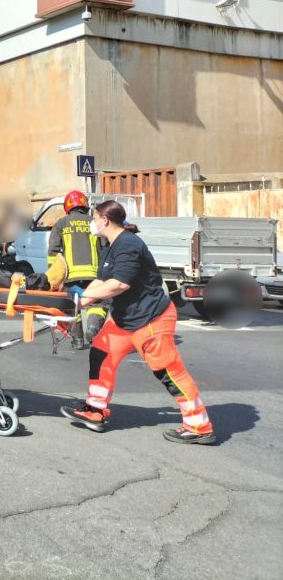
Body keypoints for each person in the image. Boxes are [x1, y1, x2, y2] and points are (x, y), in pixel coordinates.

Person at [61, 200, 216, 445]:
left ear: (105, 220)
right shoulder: (110, 245)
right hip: (124, 320)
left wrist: (83, 298)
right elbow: (102, 281)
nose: (92, 222)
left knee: (169, 372)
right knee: (100, 354)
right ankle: (95, 410)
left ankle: (199, 426)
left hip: (150, 319)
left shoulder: (129, 244)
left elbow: (119, 284)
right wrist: (76, 302)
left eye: (94, 218)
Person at [48, 190, 107, 350]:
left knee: (72, 306)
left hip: (70, 277)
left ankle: (77, 340)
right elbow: (104, 247)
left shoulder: (61, 224)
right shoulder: (94, 222)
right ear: (85, 205)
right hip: (93, 275)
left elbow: (53, 252)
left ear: (67, 207)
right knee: (98, 303)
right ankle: (93, 328)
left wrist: (53, 278)